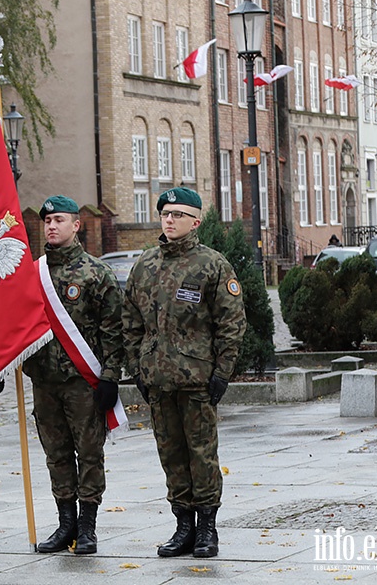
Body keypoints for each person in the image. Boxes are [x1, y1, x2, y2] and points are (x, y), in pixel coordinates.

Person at [122, 187, 246, 559]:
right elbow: (130, 322)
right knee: (171, 455)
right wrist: (138, 368)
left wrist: (222, 372)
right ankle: (183, 526)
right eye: (165, 214)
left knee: (202, 455)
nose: (169, 220)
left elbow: (231, 322)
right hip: (158, 382)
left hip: (197, 380)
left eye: (177, 214)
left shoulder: (212, 264)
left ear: (196, 220)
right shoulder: (145, 265)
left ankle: (207, 528)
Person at [22, 195, 123, 555]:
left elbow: (114, 329)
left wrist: (110, 376)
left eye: (59, 220)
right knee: (56, 454)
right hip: (44, 381)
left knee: (89, 454)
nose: (51, 226)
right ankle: (65, 524)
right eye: (47, 221)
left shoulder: (96, 273)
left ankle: (88, 527)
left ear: (76, 225)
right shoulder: (31, 274)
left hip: (83, 382)